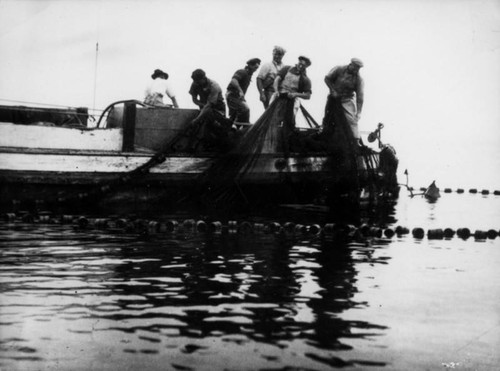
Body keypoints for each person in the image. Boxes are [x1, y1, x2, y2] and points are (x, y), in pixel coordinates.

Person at [187, 69, 231, 151]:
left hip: (217, 107)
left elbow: (210, 105)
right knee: (205, 127)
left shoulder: (214, 86)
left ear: (204, 78)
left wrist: (196, 119)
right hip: (205, 107)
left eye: (198, 81)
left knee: (217, 126)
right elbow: (194, 100)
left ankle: (222, 147)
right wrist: (202, 106)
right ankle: (206, 146)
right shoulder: (195, 83)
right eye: (195, 81)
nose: (196, 83)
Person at [323, 58, 364, 138]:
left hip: (347, 99)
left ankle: (356, 140)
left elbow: (360, 97)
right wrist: (332, 90)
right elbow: (327, 79)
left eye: (358, 68)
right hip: (334, 98)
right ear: (350, 65)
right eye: (355, 67)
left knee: (352, 120)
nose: (356, 70)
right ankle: (325, 133)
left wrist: (358, 112)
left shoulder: (359, 79)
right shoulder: (339, 69)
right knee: (328, 118)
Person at [272, 55, 312, 121]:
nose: (301, 66)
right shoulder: (286, 69)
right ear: (298, 62)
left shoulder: (306, 79)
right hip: (279, 95)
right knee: (271, 115)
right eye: (300, 64)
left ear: (306, 67)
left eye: (303, 66)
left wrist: (296, 94)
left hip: (292, 99)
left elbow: (308, 95)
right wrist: (276, 91)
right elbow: (277, 80)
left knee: (290, 118)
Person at [226, 58, 261, 123]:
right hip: (232, 95)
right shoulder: (242, 72)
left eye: (257, 68)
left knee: (236, 113)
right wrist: (240, 91)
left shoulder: (248, 75)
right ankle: (239, 125)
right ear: (250, 65)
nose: (255, 70)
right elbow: (234, 81)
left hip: (238, 97)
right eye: (255, 67)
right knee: (245, 109)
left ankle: (237, 127)